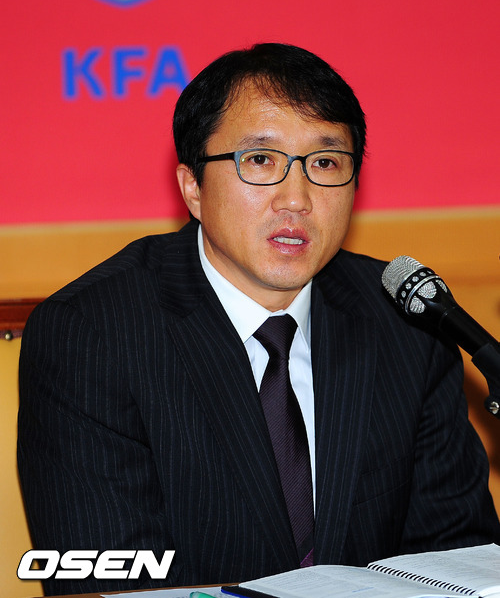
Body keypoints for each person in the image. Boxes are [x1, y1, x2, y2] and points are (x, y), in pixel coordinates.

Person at [18, 43, 500, 596]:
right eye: (261, 161)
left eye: (325, 163)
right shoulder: (92, 335)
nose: (296, 199)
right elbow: (109, 581)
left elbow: (458, 560)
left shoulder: (406, 324)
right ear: (193, 186)